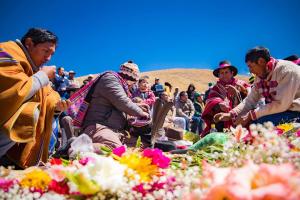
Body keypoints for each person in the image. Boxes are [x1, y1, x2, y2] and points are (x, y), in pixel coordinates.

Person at [0, 28, 70, 168]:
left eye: (51, 53)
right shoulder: (7, 51)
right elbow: (12, 92)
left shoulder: (33, 68)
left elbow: (48, 97)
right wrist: (42, 76)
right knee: (29, 112)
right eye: (46, 51)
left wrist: (56, 109)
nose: (48, 58)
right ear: (29, 43)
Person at [215, 46, 300, 127]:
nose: (250, 70)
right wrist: (231, 114)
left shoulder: (287, 71)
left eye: (250, 66)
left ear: (261, 61)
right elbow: (250, 100)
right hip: (278, 112)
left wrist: (251, 115)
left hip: (295, 112)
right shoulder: (260, 77)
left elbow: (281, 104)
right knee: (254, 124)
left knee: (260, 125)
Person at [81, 61, 149, 150]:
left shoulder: (121, 85)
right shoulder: (110, 78)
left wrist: (137, 106)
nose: (132, 85)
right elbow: (122, 102)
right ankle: (77, 148)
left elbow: (120, 102)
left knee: (142, 145)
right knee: (114, 148)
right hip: (99, 127)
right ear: (129, 77)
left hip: (115, 130)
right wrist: (141, 113)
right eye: (133, 81)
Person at [201, 60, 250, 136]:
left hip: (241, 118)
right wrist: (219, 104)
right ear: (219, 75)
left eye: (226, 72)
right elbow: (210, 101)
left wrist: (240, 92)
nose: (224, 75)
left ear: (232, 73)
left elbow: (251, 97)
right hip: (222, 121)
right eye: (221, 73)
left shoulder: (241, 84)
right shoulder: (215, 88)